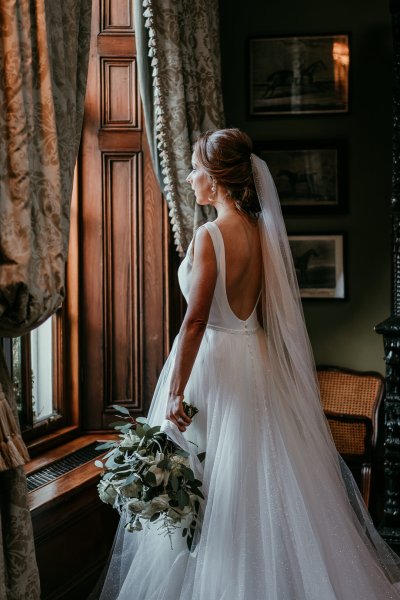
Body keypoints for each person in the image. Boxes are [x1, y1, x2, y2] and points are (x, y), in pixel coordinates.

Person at [96, 129, 400, 599]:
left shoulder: (211, 235)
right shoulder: (261, 233)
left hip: (215, 363)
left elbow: (195, 320)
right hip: (251, 356)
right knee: (260, 475)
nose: (191, 177)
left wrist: (176, 391)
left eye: (197, 169)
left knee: (213, 481)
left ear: (216, 179)